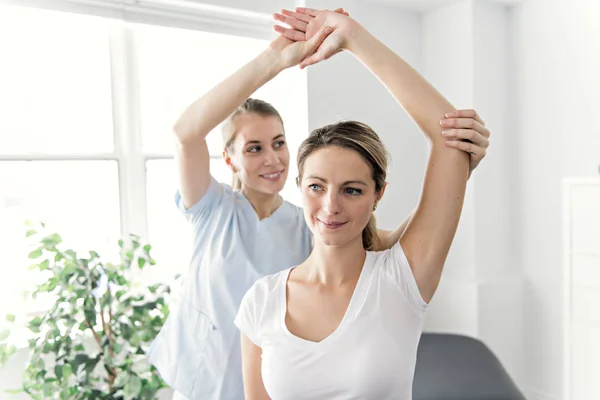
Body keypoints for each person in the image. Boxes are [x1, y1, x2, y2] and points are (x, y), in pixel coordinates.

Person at [148, 7, 491, 400]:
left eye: (353, 190)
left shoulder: (377, 268)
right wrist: (275, 59)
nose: (330, 206)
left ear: (378, 194)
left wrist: (353, 37)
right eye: (316, 186)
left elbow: (413, 226)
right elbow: (184, 134)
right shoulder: (242, 262)